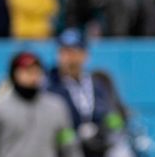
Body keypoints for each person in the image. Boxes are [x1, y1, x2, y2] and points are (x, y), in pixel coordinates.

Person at [0, 50, 82, 157]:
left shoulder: (56, 107)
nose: (32, 77)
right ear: (14, 74)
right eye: (26, 71)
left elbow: (69, 146)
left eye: (36, 71)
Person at [47, 28, 128, 157]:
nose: (69, 57)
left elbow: (115, 111)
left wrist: (110, 121)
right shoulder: (49, 84)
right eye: (64, 51)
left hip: (99, 144)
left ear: (84, 54)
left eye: (74, 52)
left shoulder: (98, 81)